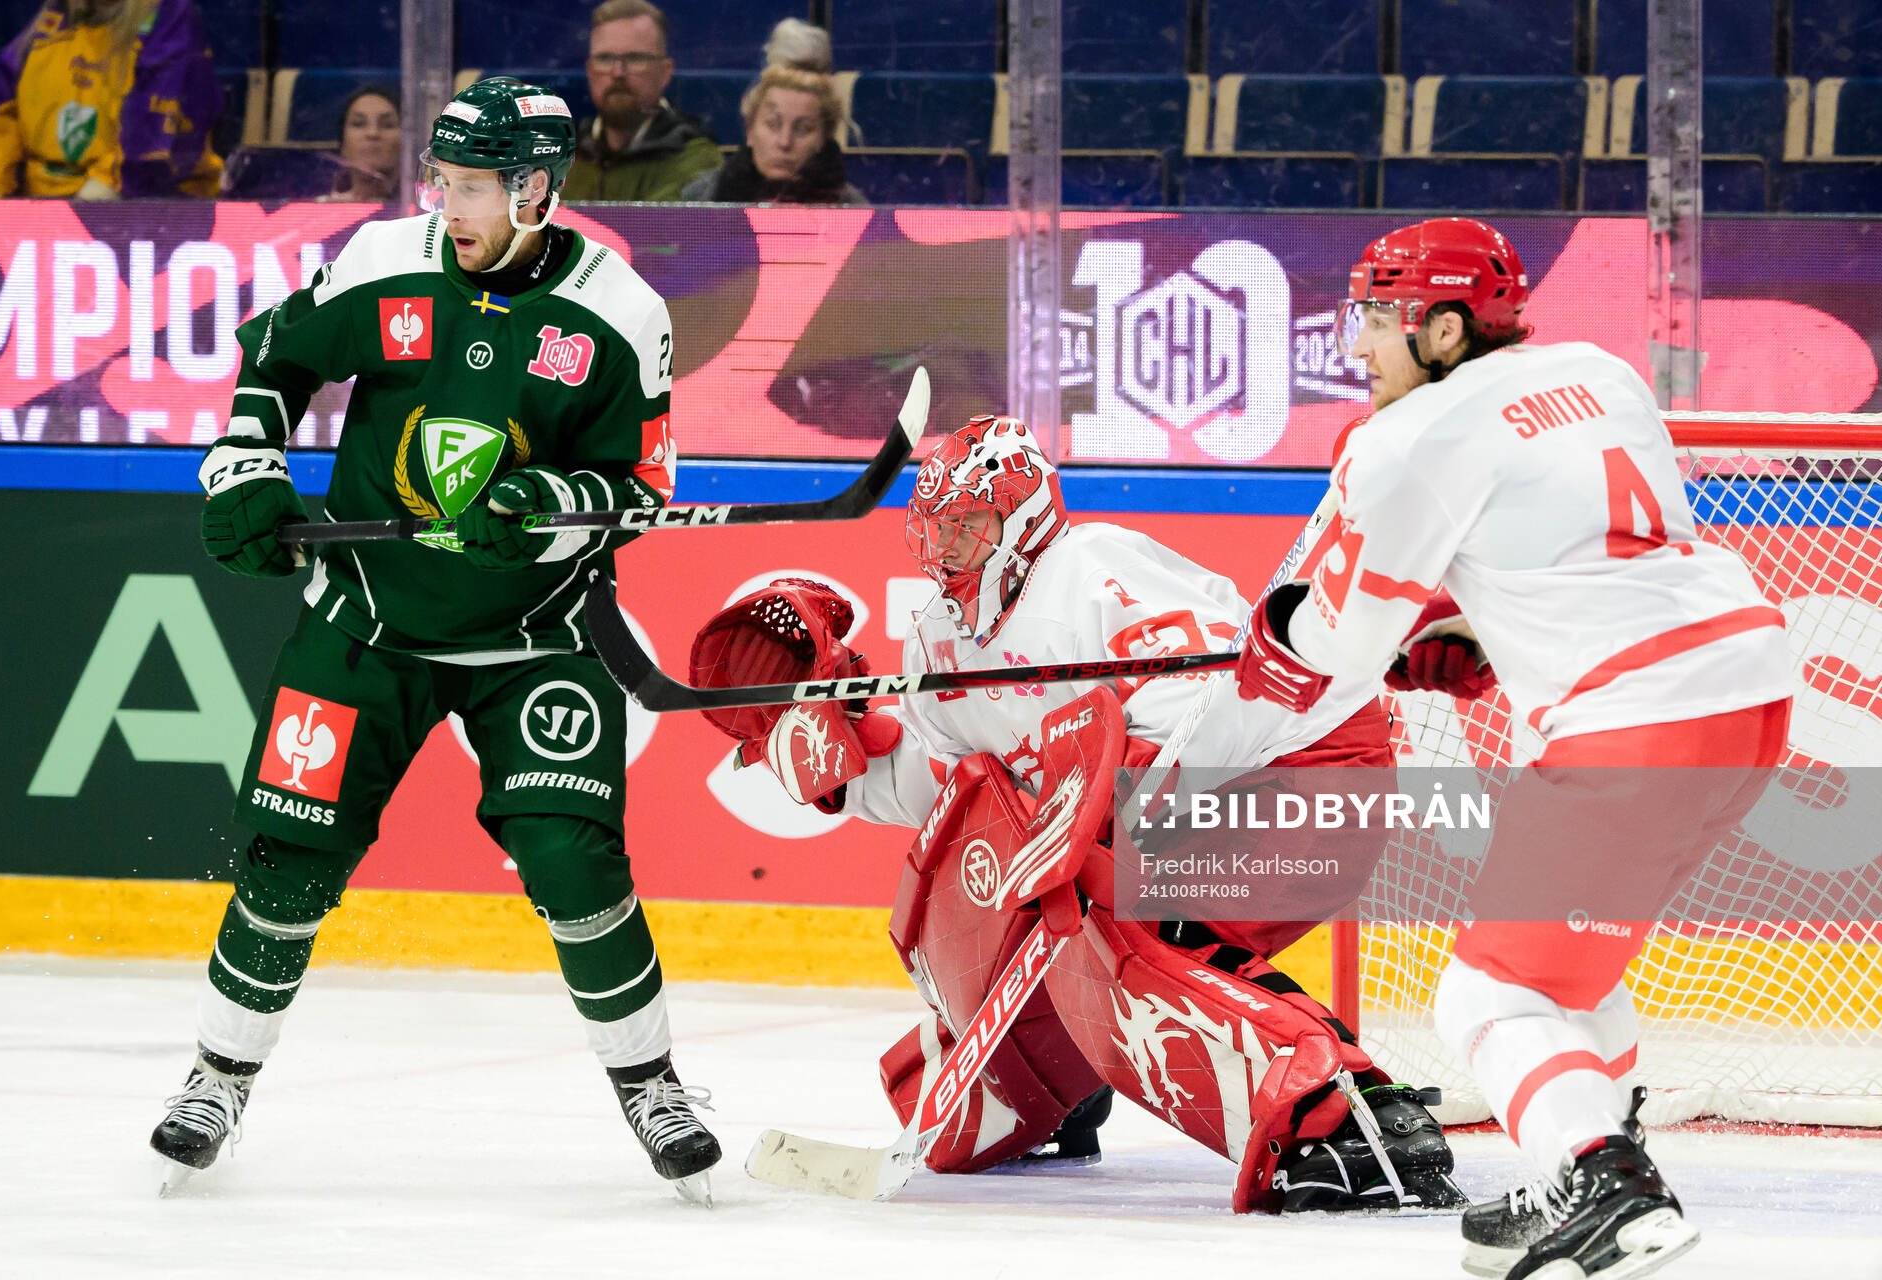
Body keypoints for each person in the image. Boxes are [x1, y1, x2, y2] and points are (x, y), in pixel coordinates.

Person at [150, 76, 720, 1206]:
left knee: (574, 866)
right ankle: (218, 1075)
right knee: (288, 859)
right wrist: (251, 462)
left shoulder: (619, 313)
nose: (443, 203)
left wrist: (553, 499)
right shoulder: (383, 262)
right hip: (366, 622)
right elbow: (274, 358)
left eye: (467, 187)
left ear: (536, 191)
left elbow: (643, 490)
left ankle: (654, 1085)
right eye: (440, 179)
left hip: (536, 636)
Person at [687, 415, 1466, 1213]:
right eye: (936, 531)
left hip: (1308, 774)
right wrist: (850, 766)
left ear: (1022, 518)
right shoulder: (938, 643)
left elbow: (1218, 721)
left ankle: (1347, 1116)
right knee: (997, 876)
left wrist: (1098, 812)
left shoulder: (1094, 571)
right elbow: (956, 789)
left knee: (1117, 910)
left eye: (969, 528)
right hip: (1187, 802)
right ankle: (1056, 1081)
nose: (948, 551)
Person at [1230, 217, 1793, 1277]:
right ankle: (1575, 1166)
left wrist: (1276, 641)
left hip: (1636, 715)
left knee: (1488, 995)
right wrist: (1469, 630)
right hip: (1750, 687)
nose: (1359, 346)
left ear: (1444, 328)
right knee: (1568, 972)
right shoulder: (1597, 370)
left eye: (1381, 319)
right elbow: (1585, 549)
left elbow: (1337, 648)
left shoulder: (1406, 437)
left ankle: (1604, 1182)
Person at [0, 0, 223, 198]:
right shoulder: (51, 22)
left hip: (143, 208)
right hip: (44, 212)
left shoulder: (169, 17)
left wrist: (97, 197)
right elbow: (0, 120)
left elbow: (153, 134)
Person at [561, 0, 719, 203]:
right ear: (590, 70)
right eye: (605, 58)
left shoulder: (695, 157)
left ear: (665, 72)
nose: (617, 72)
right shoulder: (564, 155)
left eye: (635, 58)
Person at [677, 65, 865, 206]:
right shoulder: (699, 200)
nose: (784, 142)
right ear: (750, 131)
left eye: (803, 129)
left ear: (823, 140)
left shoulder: (854, 210)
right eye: (773, 125)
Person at [324, 85, 399, 202]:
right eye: (359, 124)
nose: (372, 133)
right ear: (342, 142)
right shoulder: (317, 211)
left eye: (387, 125)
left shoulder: (428, 210)